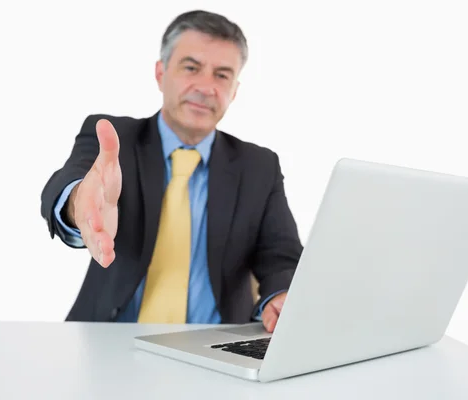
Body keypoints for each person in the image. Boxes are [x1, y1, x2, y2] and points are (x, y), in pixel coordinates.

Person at [40, 10, 303, 332]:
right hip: (109, 340)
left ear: (234, 90)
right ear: (160, 73)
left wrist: (282, 294)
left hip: (215, 347)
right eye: (191, 68)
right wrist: (80, 202)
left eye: (222, 75)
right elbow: (71, 181)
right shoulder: (114, 138)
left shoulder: (259, 165)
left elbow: (281, 254)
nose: (206, 87)